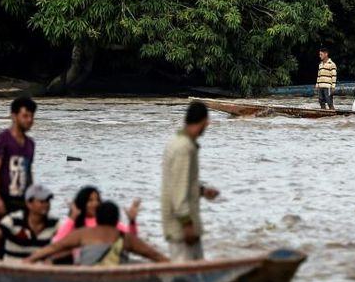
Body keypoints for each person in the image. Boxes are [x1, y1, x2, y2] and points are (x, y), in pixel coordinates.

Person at [161, 102, 220, 262]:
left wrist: (201, 191)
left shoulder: (177, 142)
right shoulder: (184, 148)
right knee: (186, 276)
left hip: (179, 224)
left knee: (193, 274)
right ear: (205, 121)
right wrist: (187, 225)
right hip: (181, 228)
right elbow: (178, 191)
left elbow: (179, 182)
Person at [25, 201, 168, 266]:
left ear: (97, 218)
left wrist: (27, 261)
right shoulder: (125, 238)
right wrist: (174, 265)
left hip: (86, 280)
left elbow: (52, 248)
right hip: (117, 281)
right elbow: (154, 255)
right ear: (116, 219)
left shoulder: (83, 234)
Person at [0, 97, 38, 258]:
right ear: (14, 116)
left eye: (32, 116)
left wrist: (32, 200)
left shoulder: (30, 144)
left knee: (22, 240)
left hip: (21, 200)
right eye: (25, 116)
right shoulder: (0, 140)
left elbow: (28, 172)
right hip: (3, 199)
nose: (29, 120)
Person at [0, 184, 59, 261]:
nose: (46, 205)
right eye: (42, 202)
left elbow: (65, 243)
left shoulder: (54, 223)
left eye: (48, 201)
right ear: (29, 203)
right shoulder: (13, 220)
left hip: (39, 272)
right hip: (12, 270)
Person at [53, 186, 140, 242]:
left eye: (97, 200)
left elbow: (131, 239)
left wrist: (132, 221)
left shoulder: (106, 221)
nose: (95, 204)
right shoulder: (74, 223)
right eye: (90, 200)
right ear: (82, 202)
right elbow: (56, 242)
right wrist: (72, 218)